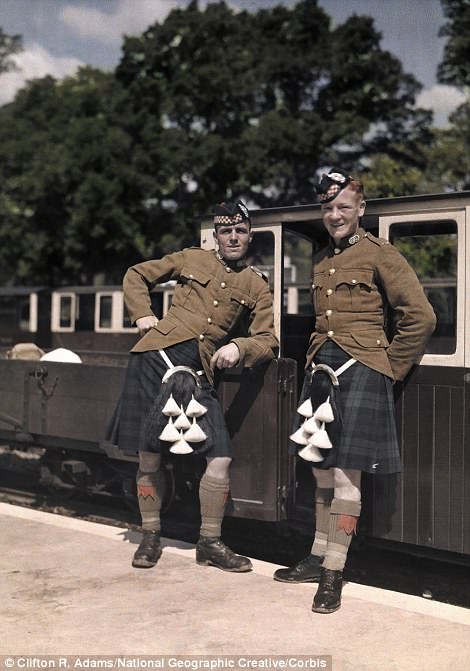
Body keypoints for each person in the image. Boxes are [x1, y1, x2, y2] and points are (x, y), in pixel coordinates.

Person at [273, 170, 436, 613]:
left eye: (343, 206)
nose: (335, 215)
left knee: (346, 477)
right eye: (328, 208)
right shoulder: (323, 259)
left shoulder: (381, 254)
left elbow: (420, 318)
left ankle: (333, 574)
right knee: (321, 470)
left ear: (360, 209)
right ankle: (317, 554)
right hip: (321, 372)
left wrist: (388, 371)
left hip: (362, 370)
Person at [118, 200, 278, 572]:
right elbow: (136, 275)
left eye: (240, 231)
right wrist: (143, 314)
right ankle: (150, 536)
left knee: (220, 455)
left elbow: (269, 339)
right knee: (149, 455)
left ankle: (209, 542)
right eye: (226, 231)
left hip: (199, 371)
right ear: (216, 236)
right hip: (155, 358)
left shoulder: (257, 285)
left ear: (249, 235)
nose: (233, 237)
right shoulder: (191, 258)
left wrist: (240, 346)